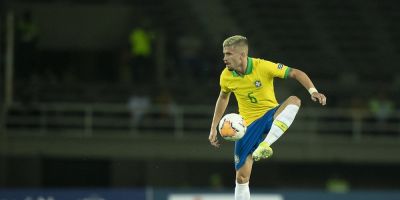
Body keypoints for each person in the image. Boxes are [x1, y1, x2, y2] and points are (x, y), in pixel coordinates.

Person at [208, 35, 327, 200]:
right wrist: (213, 126)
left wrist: (313, 91)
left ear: (242, 55)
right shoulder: (226, 76)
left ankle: (266, 144)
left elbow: (295, 72)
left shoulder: (262, 66)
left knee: (294, 100)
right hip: (247, 125)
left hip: (271, 115)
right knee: (241, 178)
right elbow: (223, 97)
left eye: (229, 54)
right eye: (224, 54)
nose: (224, 58)